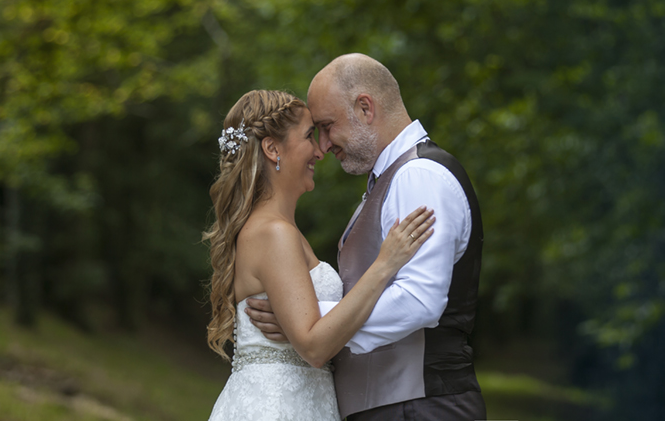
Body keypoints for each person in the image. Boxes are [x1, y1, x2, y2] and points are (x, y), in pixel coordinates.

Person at [246, 54, 486, 420]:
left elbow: (419, 299)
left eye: (326, 126)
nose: (323, 146)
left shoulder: (419, 176)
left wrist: (308, 322)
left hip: (419, 407)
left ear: (364, 107)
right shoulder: (388, 181)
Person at [205, 89, 436, 421]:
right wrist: (385, 264)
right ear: (272, 149)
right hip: (278, 407)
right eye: (309, 136)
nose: (319, 150)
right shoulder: (273, 233)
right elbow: (313, 347)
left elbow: (309, 332)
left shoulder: (280, 230)